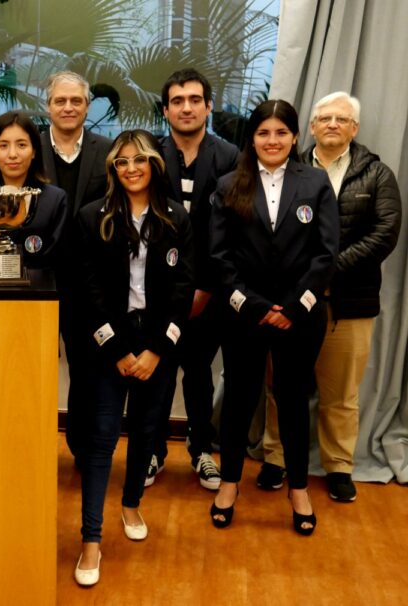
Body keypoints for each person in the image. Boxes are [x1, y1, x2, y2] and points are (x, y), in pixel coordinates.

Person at [258, 92, 401, 501]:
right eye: (325, 118)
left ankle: (338, 466)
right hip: (290, 302)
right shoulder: (288, 168)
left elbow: (384, 233)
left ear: (354, 128)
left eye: (342, 119)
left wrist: (326, 269)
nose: (333, 125)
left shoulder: (377, 175)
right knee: (280, 386)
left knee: (340, 395)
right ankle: (276, 458)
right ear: (313, 127)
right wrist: (302, 280)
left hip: (349, 304)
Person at [209, 100, 339, 536]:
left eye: (281, 133)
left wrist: (293, 307)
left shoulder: (317, 183)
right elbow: (219, 257)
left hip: (300, 316)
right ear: (252, 138)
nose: (272, 141)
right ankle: (229, 484)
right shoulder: (229, 184)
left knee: (294, 401)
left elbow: (325, 253)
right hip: (244, 315)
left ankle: (298, 488)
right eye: (263, 133)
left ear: (296, 137)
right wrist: (256, 307)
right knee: (240, 401)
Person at [73, 130, 194, 586]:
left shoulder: (178, 219)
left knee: (146, 431)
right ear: (112, 170)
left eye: (139, 160)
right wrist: (120, 350)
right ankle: (90, 542)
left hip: (157, 343)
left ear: (154, 166)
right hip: (111, 344)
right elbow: (88, 291)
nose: (131, 169)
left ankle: (130, 505)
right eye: (121, 162)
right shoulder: (91, 218)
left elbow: (184, 290)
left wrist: (157, 350)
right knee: (102, 437)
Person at [145, 68, 240, 490]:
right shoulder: (149, 155)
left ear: (208, 106)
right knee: (157, 370)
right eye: (178, 101)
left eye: (195, 99)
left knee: (198, 372)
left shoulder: (231, 158)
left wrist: (204, 286)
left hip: (210, 291)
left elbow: (233, 232)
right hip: (156, 289)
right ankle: (152, 451)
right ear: (166, 109)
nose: (187, 107)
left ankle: (202, 450)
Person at [39, 70, 112, 467]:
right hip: (37, 281)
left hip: (89, 282)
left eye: (76, 101)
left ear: (86, 106)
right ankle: (30, 447)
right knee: (31, 368)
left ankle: (82, 450)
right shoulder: (28, 148)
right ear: (47, 105)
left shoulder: (107, 151)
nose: (68, 107)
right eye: (60, 101)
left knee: (87, 372)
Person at [0, 111, 67, 270]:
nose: (13, 154)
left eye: (22, 145)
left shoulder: (55, 200)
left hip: (37, 290)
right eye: (3, 146)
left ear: (34, 151)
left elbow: (57, 260)